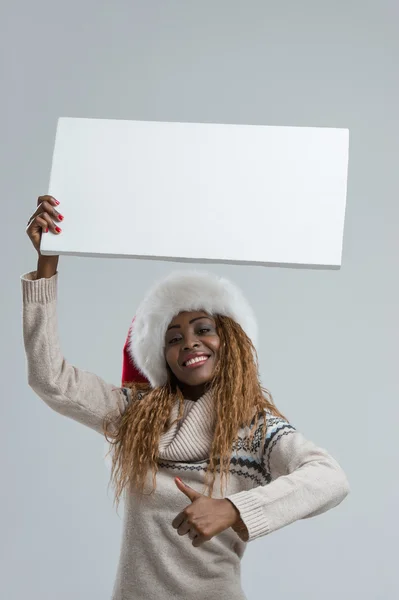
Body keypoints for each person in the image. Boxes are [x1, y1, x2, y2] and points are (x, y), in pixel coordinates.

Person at [22, 196, 350, 600]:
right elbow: (50, 379)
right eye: (173, 338)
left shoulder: (252, 429)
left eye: (202, 329)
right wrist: (47, 265)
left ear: (228, 339)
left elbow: (330, 478)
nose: (190, 343)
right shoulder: (136, 414)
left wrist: (233, 509)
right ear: (161, 357)